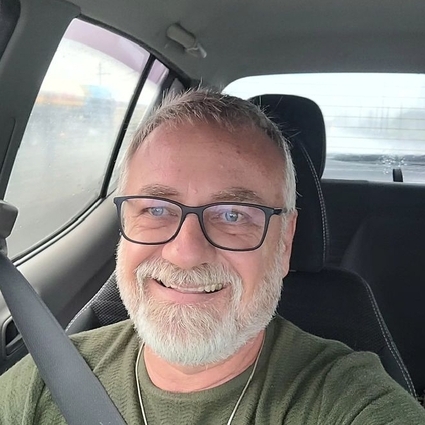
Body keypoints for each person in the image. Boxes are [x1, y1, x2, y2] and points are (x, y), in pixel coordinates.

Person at [1, 89, 424, 424]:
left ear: (285, 241)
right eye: (156, 209)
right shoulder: (43, 382)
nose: (185, 253)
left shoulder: (348, 399)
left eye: (233, 215)